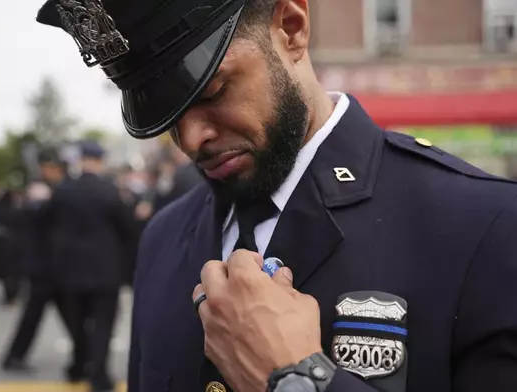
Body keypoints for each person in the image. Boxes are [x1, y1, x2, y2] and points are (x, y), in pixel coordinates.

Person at [36, 1, 517, 392]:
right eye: (166, 118)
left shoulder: (484, 226)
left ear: (291, 28)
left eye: (211, 90)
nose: (190, 139)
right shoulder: (164, 237)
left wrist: (298, 379)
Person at [40, 140, 139, 392]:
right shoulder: (110, 191)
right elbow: (128, 228)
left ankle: (77, 365)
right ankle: (98, 375)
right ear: (99, 161)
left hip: (69, 270)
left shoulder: (64, 190)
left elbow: (46, 223)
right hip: (105, 271)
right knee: (103, 324)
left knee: (77, 323)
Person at [1, 150, 82, 380]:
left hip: (56, 265)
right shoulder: (41, 189)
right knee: (37, 314)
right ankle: (14, 356)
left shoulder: (58, 188)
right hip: (43, 265)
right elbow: (37, 216)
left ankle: (83, 355)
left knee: (68, 315)